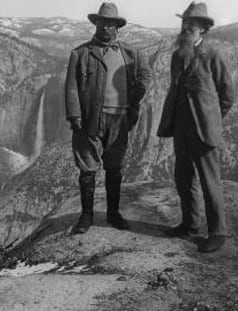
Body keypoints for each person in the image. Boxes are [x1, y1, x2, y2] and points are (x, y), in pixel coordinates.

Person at [65, 2, 150, 234]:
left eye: (110, 24)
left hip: (120, 118)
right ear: (96, 24)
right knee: (87, 168)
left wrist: (135, 96)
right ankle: (86, 216)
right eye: (102, 23)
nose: (105, 28)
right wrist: (74, 115)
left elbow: (144, 76)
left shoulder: (131, 54)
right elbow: (71, 86)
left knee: (115, 167)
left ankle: (113, 214)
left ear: (117, 28)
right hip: (90, 119)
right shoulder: (81, 54)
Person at [157, 2, 234, 252]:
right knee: (183, 177)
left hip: (204, 129)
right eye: (185, 24)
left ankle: (218, 232)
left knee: (210, 181)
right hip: (181, 127)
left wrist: (212, 118)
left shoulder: (214, 54)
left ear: (203, 29)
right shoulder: (178, 56)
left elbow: (227, 95)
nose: (186, 28)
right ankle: (190, 223)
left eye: (192, 25)